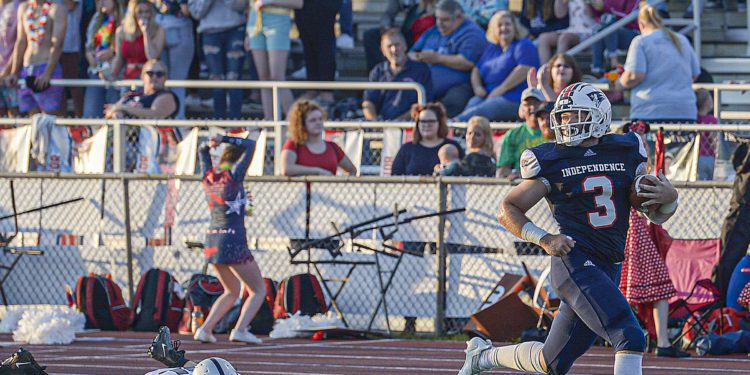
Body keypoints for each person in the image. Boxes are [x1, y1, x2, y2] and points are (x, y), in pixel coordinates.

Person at [459, 82, 680, 375]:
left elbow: (649, 208)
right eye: (563, 116)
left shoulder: (624, 150)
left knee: (551, 361)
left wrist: (670, 199)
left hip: (608, 264)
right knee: (629, 335)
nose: (566, 122)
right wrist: (544, 238)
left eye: (574, 115)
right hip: (574, 260)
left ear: (598, 116)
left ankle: (482, 358)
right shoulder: (553, 159)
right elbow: (508, 209)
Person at [618, 121, 689, 358]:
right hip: (628, 232)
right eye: (637, 138)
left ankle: (657, 341)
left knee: (651, 289)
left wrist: (670, 197)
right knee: (655, 288)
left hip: (625, 231)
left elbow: (658, 214)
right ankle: (660, 342)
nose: (643, 144)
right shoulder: (626, 167)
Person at [193, 132, 267, 345]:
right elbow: (251, 145)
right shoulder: (233, 176)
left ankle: (205, 329)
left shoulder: (208, 177)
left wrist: (209, 145)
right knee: (258, 289)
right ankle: (241, 329)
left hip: (213, 241)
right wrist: (224, 138)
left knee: (232, 290)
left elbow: (201, 151)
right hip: (233, 240)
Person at [616, 3, 700, 123]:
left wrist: (619, 83)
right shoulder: (682, 40)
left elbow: (634, 75)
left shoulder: (641, 41)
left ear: (641, 24)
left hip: (650, 111)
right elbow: (695, 74)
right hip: (685, 111)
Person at [454, 10, 539, 122]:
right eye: (499, 25)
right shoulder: (492, 49)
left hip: (513, 98)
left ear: (515, 27)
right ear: (494, 30)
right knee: (474, 101)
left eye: (507, 24)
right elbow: (476, 70)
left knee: (483, 109)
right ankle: (460, 131)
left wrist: (500, 89)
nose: (504, 28)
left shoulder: (523, 44)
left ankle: (455, 123)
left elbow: (525, 69)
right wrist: (478, 87)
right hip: (489, 95)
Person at [408, 0, 487, 118]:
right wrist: (419, 57)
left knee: (453, 101)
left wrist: (438, 58)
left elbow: (468, 62)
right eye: (437, 18)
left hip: (460, 86)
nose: (439, 23)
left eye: (445, 20)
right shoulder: (433, 31)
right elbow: (410, 54)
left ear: (459, 17)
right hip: (424, 84)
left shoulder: (472, 33)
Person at [8, 0, 68, 116]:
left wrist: (47, 73)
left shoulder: (56, 9)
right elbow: (21, 41)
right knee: (32, 119)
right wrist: (14, 72)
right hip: (27, 69)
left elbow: (57, 44)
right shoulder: (24, 8)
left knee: (49, 119)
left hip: (46, 66)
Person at [188, 0, 246, 119]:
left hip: (235, 30)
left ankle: (236, 124)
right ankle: (219, 123)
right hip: (210, 33)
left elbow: (241, 5)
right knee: (216, 80)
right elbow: (196, 13)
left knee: (234, 79)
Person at [362, 28, 432, 121]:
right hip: (381, 126)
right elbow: (368, 102)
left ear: (405, 46)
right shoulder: (378, 71)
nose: (394, 50)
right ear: (383, 51)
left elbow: (424, 104)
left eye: (397, 45)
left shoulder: (421, 70)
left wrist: (396, 124)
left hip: (410, 126)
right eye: (389, 46)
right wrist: (375, 123)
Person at [248, 0, 302, 120]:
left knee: (277, 77)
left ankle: (293, 124)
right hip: (255, 19)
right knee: (263, 78)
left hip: (278, 19)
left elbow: (298, 3)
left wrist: (267, 1)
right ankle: (269, 122)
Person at [281, 99, 358, 176]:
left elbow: (352, 170)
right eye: (312, 120)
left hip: (328, 188)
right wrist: (317, 171)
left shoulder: (333, 147)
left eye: (320, 119)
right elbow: (286, 169)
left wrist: (343, 186)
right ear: (302, 124)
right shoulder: (294, 144)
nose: (318, 123)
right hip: (303, 188)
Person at [391, 102, 464, 176]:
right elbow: (394, 176)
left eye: (431, 121)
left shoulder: (453, 147)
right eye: (422, 121)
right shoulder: (406, 149)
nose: (426, 125)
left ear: (439, 123)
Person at [149, 0, 194, 119]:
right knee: (165, 78)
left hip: (174, 24)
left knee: (175, 80)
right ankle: (172, 121)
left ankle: (175, 121)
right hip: (161, 23)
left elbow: (186, 10)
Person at [294, 0, 342, 106]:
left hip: (323, 9)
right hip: (305, 11)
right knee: (309, 46)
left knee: (324, 48)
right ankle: (313, 88)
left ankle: (326, 94)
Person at [495, 87, 547, 180]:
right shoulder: (513, 134)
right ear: (522, 108)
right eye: (527, 104)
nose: (532, 107)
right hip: (521, 183)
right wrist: (514, 174)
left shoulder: (552, 132)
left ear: (544, 105)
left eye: (536, 103)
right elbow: (503, 169)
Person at [82, 0, 122, 118]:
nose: (101, 2)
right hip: (97, 71)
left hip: (116, 74)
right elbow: (89, 46)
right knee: (91, 114)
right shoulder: (97, 19)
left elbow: (129, 44)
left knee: (114, 114)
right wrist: (90, 55)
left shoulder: (125, 19)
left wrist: (113, 52)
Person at [104, 59, 178, 119]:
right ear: (142, 76)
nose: (154, 77)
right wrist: (116, 113)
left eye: (159, 74)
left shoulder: (167, 96)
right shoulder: (132, 94)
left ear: (165, 78)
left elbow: (155, 114)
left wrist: (124, 108)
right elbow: (111, 110)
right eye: (150, 73)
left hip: (152, 136)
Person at [111, 0, 165, 81]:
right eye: (140, 12)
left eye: (147, 12)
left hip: (148, 78)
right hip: (128, 77)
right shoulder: (121, 31)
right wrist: (111, 74)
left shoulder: (158, 30)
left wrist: (145, 32)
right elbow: (119, 58)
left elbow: (153, 57)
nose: (144, 15)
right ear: (133, 14)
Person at [589, 0, 639, 76]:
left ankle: (614, 63)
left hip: (632, 32)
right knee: (597, 29)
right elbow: (599, 17)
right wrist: (594, 6)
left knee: (610, 24)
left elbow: (629, 17)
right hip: (611, 35)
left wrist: (605, 7)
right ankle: (597, 69)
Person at [58, 0, 84, 117]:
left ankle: (80, 122)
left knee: (73, 84)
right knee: (58, 87)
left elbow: (70, 5)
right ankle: (61, 121)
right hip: (52, 48)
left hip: (69, 47)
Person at [0, 0, 20, 117]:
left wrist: (6, 72)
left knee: (15, 116)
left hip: (11, 76)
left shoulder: (18, 7)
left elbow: (21, 42)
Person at [695, 88, 718, 181]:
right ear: (707, 103)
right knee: (709, 180)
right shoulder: (712, 120)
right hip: (709, 155)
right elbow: (714, 140)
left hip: (697, 155)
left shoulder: (695, 118)